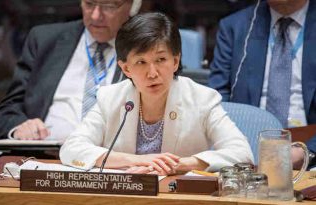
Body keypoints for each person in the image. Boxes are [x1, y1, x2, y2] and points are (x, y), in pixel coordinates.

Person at [60, 12, 253, 175]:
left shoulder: (202, 99)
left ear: (175, 61)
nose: (152, 73)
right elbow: (71, 149)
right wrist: (137, 161)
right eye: (141, 62)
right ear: (126, 69)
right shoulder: (110, 98)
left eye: (161, 59)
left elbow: (242, 153)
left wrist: (182, 164)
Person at [0, 0, 142, 144]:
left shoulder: (146, 50)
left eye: (108, 6)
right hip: (43, 155)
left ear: (132, 5)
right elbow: (8, 109)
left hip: (110, 159)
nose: (96, 15)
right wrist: (20, 127)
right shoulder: (44, 39)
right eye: (89, 4)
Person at [208, 0, 316, 169]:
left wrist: (308, 151)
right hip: (249, 154)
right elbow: (217, 101)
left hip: (310, 152)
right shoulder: (235, 27)